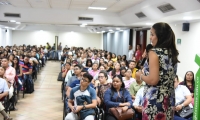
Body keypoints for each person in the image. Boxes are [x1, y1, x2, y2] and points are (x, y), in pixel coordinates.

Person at [136, 22, 179, 119]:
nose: (150, 38)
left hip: (154, 100)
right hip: (168, 99)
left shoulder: (154, 52)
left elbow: (153, 80)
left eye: (152, 34)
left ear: (160, 36)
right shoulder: (172, 52)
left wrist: (140, 76)